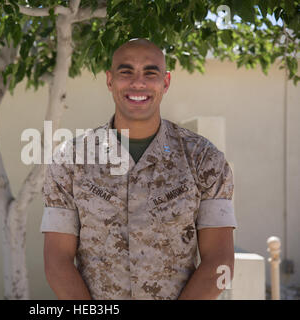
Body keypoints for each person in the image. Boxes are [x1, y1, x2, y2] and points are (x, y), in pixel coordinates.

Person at [40, 38, 237, 300]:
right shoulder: (70, 160)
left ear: (165, 82)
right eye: (126, 72)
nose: (138, 82)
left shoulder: (204, 160)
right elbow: (57, 261)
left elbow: (219, 261)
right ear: (110, 81)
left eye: (150, 73)